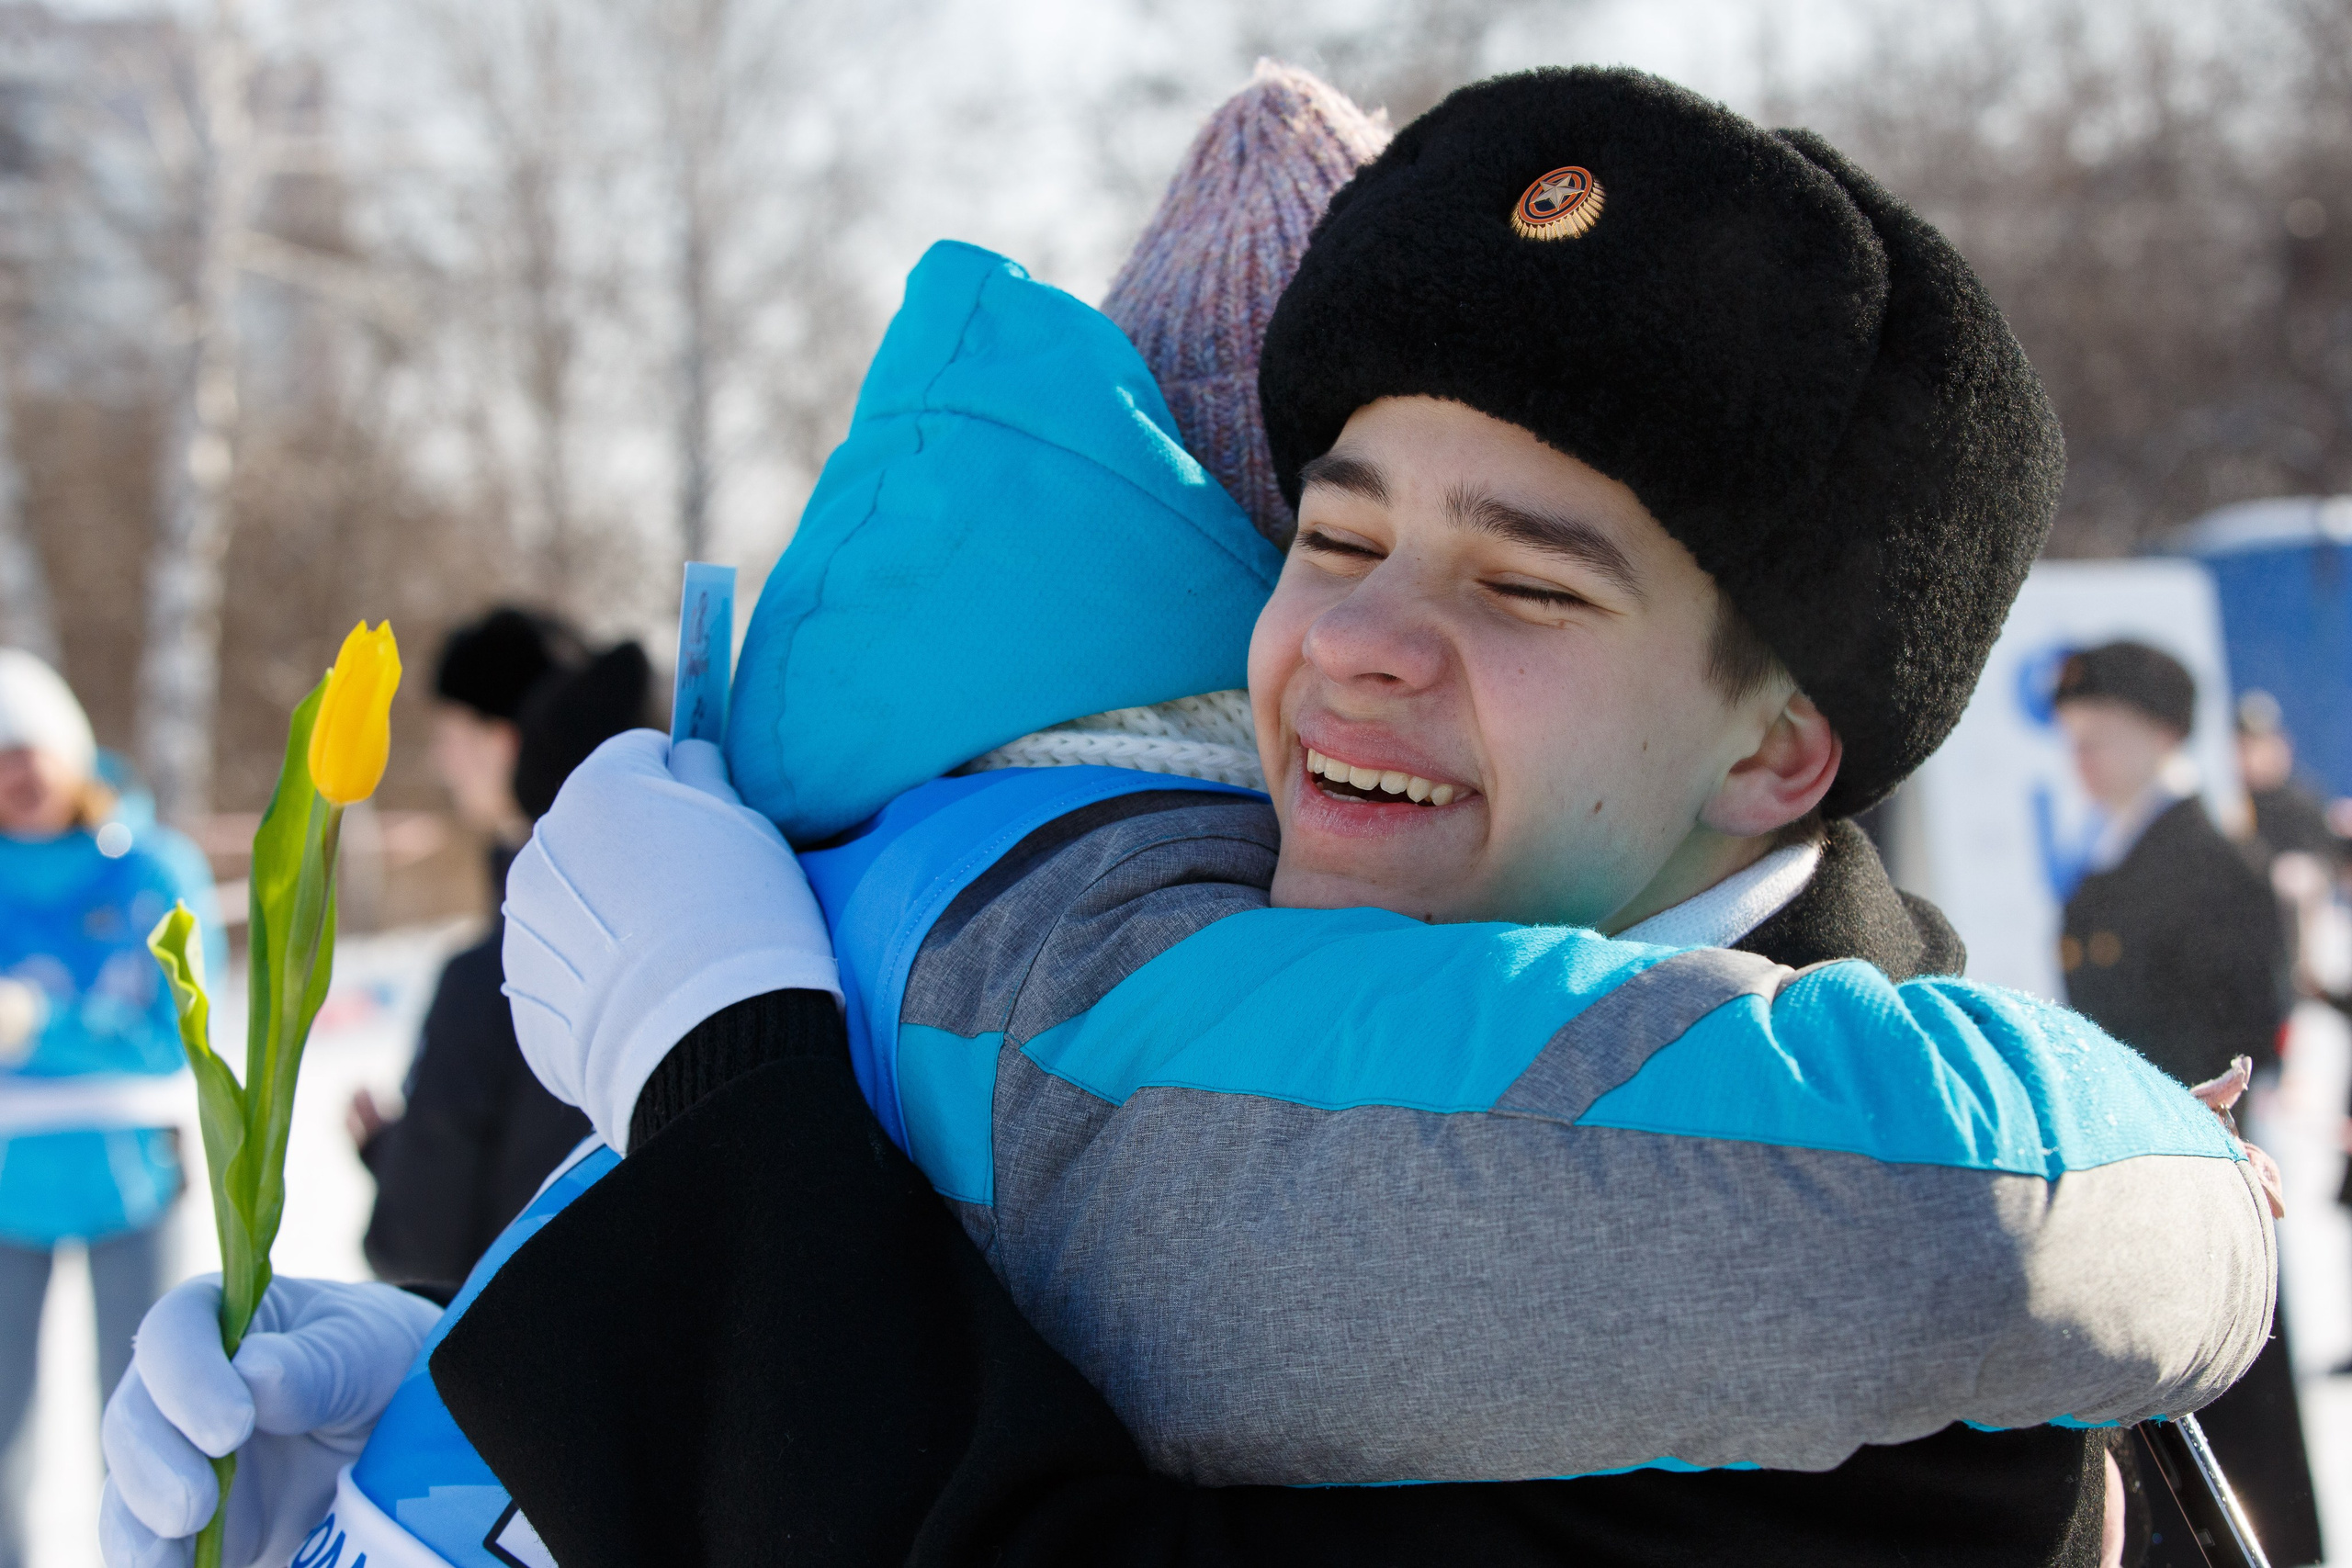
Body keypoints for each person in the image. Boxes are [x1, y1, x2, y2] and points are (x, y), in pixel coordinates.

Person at [101, 68, 2278, 1568]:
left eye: (1522, 581)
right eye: (1332, 540)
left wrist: (725, 1095)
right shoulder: (1282, 1030)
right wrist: (520, 1386)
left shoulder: (1867, 1321)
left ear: (1777, 747)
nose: (1359, 645)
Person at [2053, 641, 2322, 1566]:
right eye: (2073, 738)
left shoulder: (2212, 864)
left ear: (2162, 734)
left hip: (2201, 1195)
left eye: (2103, 736)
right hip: (2141, 1193)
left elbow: (2245, 1023)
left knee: (2236, 1445)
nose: (2082, 759)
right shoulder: (2104, 870)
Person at [0, 651, 217, 1568]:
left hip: (133, 1178)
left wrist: (38, 1023)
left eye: (29, 752)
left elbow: (179, 1033)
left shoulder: (155, 868)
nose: (17, 777)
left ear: (73, 752)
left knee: (144, 1422)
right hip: (9, 1190)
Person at [350, 612, 619, 1285]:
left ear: (505, 742)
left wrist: (393, 1155)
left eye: (450, 733)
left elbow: (424, 1246)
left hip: (525, 1359)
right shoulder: (661, 909)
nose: (441, 761)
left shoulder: (496, 974)